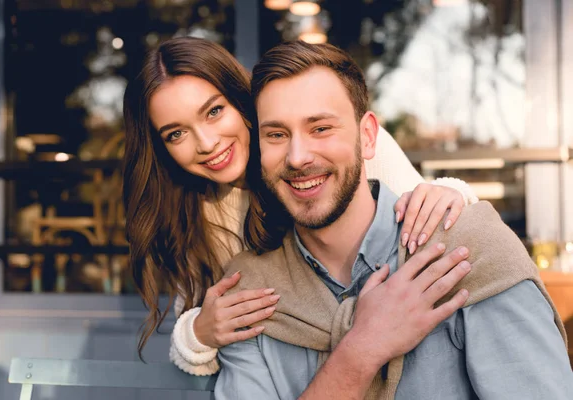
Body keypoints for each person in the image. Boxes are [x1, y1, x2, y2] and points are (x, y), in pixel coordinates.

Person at [215, 40, 573, 399]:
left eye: (321, 128)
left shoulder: (467, 247)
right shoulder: (246, 296)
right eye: (276, 135)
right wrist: (363, 348)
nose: (297, 157)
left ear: (367, 136)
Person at [122, 37, 477, 375]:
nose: (206, 142)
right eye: (176, 134)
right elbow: (200, 346)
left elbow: (428, 211)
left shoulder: (339, 144)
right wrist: (198, 332)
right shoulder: (196, 215)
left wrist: (450, 191)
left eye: (214, 111)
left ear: (241, 102)